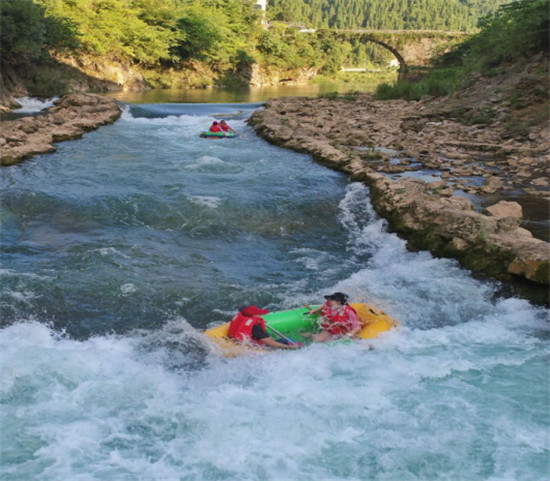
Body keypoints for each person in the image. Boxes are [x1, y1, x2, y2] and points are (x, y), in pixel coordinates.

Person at [228, 305, 300, 350]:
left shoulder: (242, 322)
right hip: (261, 348)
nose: (260, 316)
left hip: (242, 343)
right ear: (254, 316)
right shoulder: (256, 328)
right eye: (258, 314)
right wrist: (289, 347)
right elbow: (271, 343)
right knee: (288, 341)